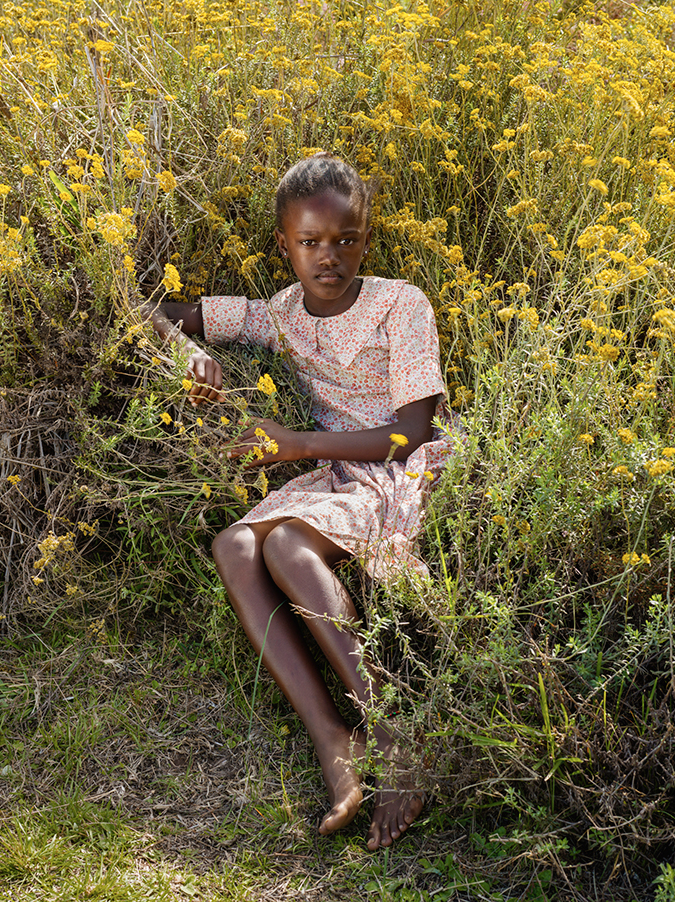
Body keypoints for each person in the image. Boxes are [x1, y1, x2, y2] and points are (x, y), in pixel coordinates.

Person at [148, 152, 450, 850]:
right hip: (333, 470)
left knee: (283, 541)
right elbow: (157, 311)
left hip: (401, 467)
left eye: (345, 240)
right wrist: (185, 353)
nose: (329, 257)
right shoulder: (277, 314)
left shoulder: (400, 305)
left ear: (366, 239)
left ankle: (396, 731)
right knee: (232, 544)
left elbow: (413, 432)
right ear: (284, 245)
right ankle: (332, 741)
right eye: (310, 242)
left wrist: (297, 447)